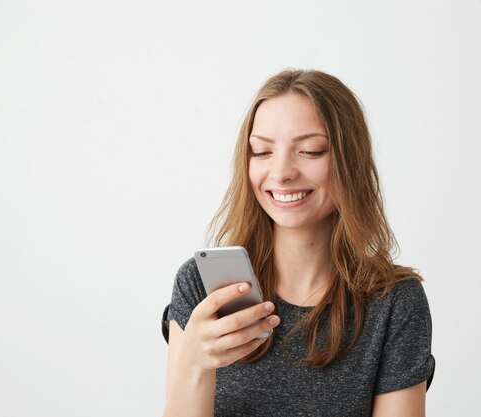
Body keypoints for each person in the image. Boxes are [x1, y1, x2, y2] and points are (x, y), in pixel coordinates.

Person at [161, 69, 435, 417]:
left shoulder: (394, 302)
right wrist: (196, 365)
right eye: (261, 152)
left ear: (350, 162)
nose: (280, 173)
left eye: (310, 150)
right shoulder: (201, 287)